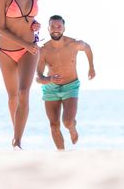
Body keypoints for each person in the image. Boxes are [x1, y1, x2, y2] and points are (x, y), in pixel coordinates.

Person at [0, 0, 41, 150]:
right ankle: (15, 133)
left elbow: (29, 19)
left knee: (23, 92)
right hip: (6, 52)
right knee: (13, 96)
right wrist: (25, 42)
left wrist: (35, 25)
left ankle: (17, 141)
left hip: (30, 50)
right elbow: (0, 28)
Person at [36, 15, 95, 150]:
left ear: (64, 28)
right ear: (48, 28)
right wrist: (49, 79)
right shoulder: (43, 50)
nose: (56, 29)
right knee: (54, 125)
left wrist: (91, 67)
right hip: (50, 88)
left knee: (67, 122)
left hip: (70, 86)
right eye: (53, 26)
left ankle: (72, 128)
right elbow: (38, 77)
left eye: (59, 26)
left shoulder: (74, 44)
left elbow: (87, 48)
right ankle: (61, 154)